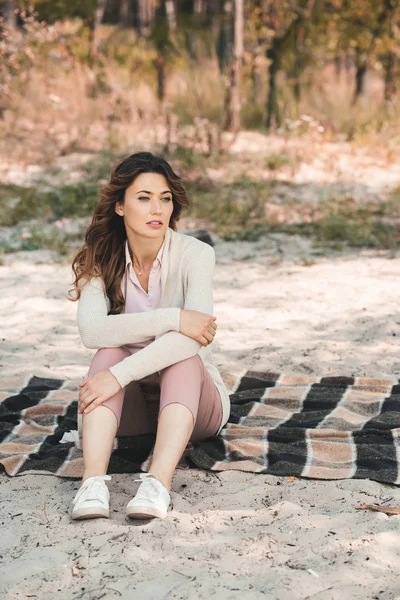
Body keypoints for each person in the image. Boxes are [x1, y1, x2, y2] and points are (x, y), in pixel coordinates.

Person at [67, 151, 230, 521]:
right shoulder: (99, 258)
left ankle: (157, 482)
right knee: (107, 352)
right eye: (144, 198)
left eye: (165, 198)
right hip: (131, 408)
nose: (157, 209)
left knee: (183, 358)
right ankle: (92, 484)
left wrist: (119, 374)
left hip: (196, 404)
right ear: (121, 206)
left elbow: (195, 337)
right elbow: (92, 331)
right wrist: (174, 318)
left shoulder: (195, 254)